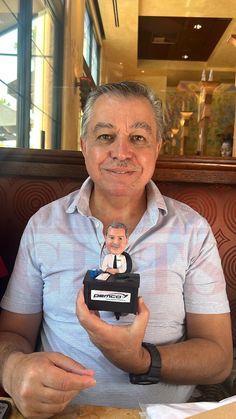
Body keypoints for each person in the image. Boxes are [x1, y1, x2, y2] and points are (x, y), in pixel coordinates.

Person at [0, 81, 232, 417]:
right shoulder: (44, 225)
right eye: (105, 136)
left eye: (138, 138)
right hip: (65, 414)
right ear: (84, 145)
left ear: (157, 147)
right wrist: (13, 368)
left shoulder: (192, 230)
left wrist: (139, 359)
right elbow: (11, 334)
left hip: (161, 413)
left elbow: (219, 358)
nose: (121, 152)